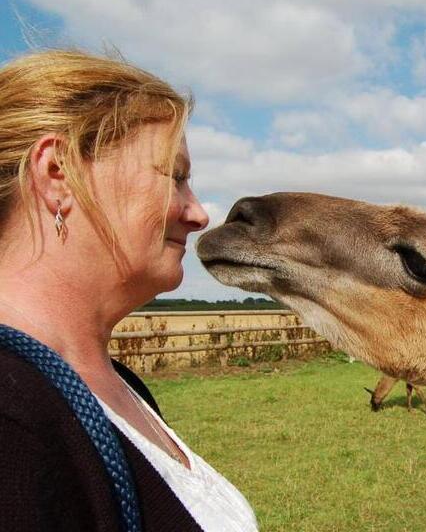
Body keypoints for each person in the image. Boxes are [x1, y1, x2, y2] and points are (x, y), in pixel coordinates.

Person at [0, 49, 258, 532]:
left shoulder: (114, 384)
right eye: (175, 177)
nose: (199, 214)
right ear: (57, 173)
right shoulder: (12, 418)